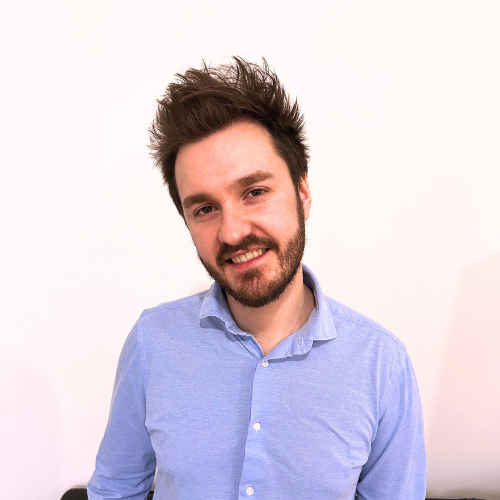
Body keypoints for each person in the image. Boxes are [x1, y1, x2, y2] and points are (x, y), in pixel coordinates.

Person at [87, 57, 426, 499]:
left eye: (254, 192)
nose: (232, 232)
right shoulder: (152, 341)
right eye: (205, 208)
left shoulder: (382, 365)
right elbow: (115, 489)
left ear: (302, 194)